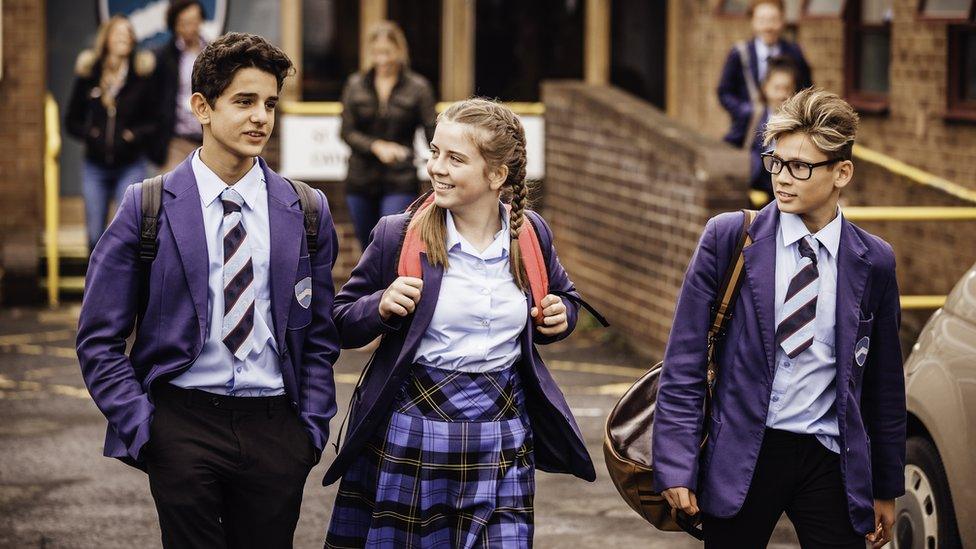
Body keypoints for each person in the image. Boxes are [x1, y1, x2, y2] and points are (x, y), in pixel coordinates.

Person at [76, 32, 340, 548]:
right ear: (202, 107)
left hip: (276, 427)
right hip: (182, 423)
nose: (260, 117)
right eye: (244, 102)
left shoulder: (307, 210)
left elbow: (320, 336)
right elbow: (99, 339)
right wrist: (147, 431)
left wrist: (309, 429)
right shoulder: (145, 205)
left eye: (269, 103)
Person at [323, 98, 595, 548]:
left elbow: (565, 300)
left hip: (503, 436)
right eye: (434, 152)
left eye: (455, 158)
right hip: (414, 431)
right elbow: (340, 322)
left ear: (496, 175)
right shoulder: (398, 233)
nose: (437, 168)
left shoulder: (529, 235)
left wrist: (562, 315)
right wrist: (380, 305)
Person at [652, 88, 905, 549]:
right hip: (744, 452)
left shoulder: (875, 262)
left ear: (841, 173)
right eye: (777, 162)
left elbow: (884, 386)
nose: (783, 178)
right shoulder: (730, 237)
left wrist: (885, 486)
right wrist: (675, 461)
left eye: (801, 167)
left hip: (830, 458)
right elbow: (684, 360)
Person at [340, 20, 437, 250]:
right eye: (376, 53)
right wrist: (376, 146)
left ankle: (393, 285)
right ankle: (376, 288)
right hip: (360, 179)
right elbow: (346, 131)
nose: (382, 59)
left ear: (400, 51)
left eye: (387, 52)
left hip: (400, 179)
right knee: (368, 246)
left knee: (392, 242)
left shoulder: (418, 87)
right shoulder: (355, 85)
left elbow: (432, 130)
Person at [66, 15, 158, 252]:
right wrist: (93, 134)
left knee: (125, 232)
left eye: (129, 33)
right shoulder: (89, 74)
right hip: (94, 167)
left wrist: (131, 135)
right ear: (106, 38)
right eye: (119, 33)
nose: (125, 37)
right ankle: (96, 286)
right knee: (95, 235)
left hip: (130, 165)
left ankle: (121, 287)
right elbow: (71, 120)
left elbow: (154, 121)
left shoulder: (141, 76)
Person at [718, 0, 812, 149]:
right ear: (753, 22)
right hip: (748, 132)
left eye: (773, 20)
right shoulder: (740, 53)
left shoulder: (794, 52)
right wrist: (744, 111)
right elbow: (724, 92)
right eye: (762, 20)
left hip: (786, 129)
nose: (768, 27)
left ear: (782, 20)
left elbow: (807, 90)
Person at [152, 0, 208, 172]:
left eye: (194, 21)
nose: (190, 28)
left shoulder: (212, 52)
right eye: (184, 23)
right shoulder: (164, 56)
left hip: (208, 139)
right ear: (175, 25)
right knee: (172, 193)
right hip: (176, 141)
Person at [749, 56, 799, 207]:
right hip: (757, 188)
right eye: (777, 88)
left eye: (787, 89)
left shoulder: (798, 122)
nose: (782, 95)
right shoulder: (752, 118)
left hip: (786, 185)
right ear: (765, 88)